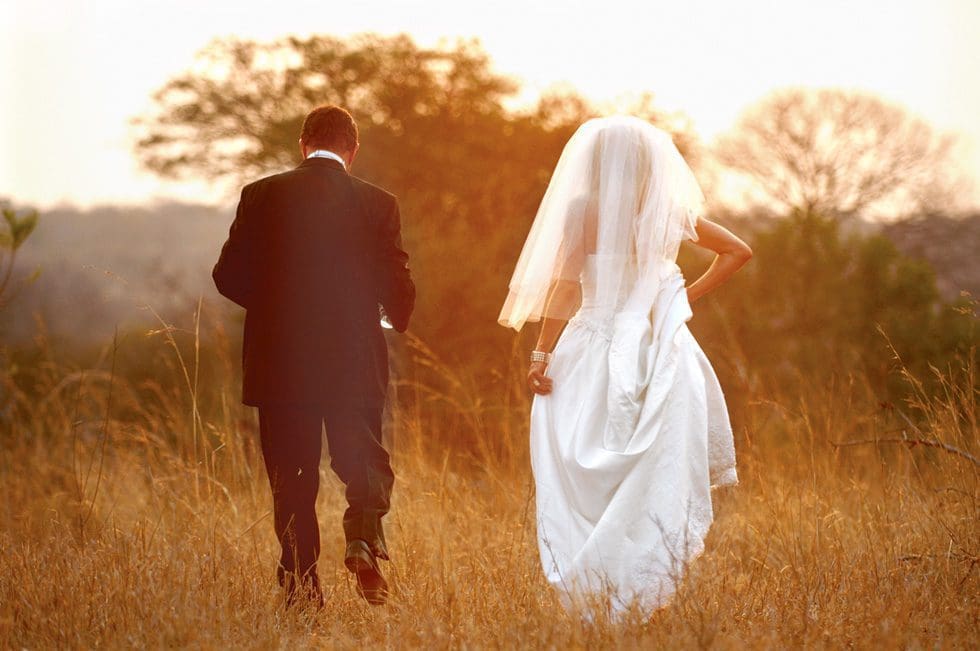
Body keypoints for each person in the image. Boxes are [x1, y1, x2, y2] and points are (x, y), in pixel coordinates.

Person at [499, 116, 750, 617]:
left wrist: (541, 353)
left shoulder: (582, 209)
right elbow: (737, 251)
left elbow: (567, 287)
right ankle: (643, 590)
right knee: (652, 465)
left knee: (580, 458)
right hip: (656, 350)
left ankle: (592, 584)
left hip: (590, 345)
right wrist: (674, 301)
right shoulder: (665, 209)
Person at [212, 105, 415, 608]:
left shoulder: (260, 194)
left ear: (303, 145)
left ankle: (303, 593)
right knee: (364, 459)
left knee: (292, 480)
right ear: (353, 149)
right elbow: (399, 287)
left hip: (280, 366)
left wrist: (278, 309)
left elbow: (227, 275)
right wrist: (384, 311)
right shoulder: (378, 203)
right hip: (353, 363)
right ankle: (364, 537)